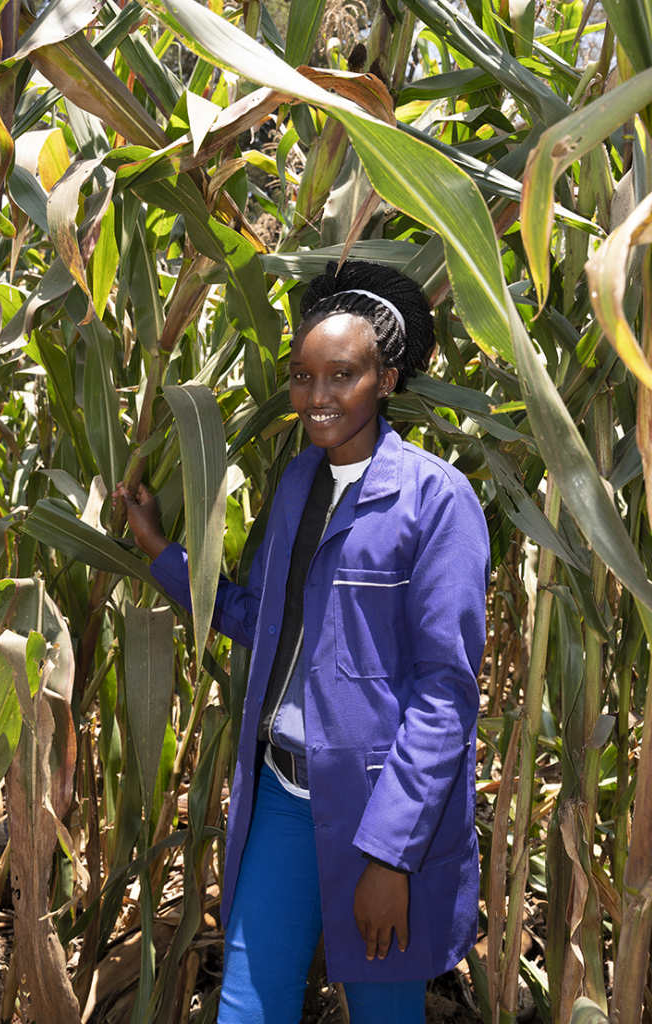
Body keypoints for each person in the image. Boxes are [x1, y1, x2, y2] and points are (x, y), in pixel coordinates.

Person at [114, 260, 490, 1024]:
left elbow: (444, 695)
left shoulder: (436, 500)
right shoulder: (298, 485)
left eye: (340, 376)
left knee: (384, 1012)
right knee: (249, 1006)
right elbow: (264, 621)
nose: (317, 398)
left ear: (385, 380)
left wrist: (389, 854)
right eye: (302, 377)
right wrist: (163, 552)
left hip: (380, 808)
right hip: (285, 794)